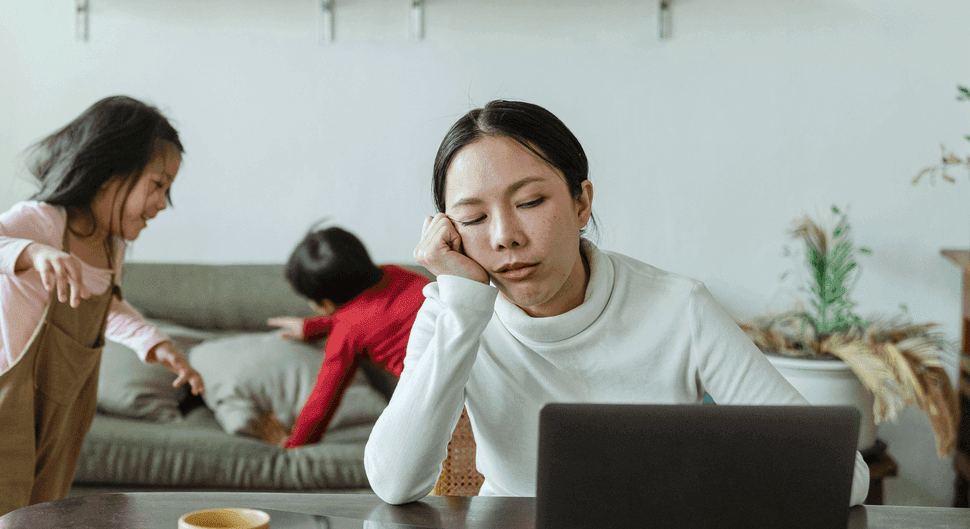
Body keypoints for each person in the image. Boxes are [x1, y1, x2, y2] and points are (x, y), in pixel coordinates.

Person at [364, 100, 870, 505]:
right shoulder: (454, 312)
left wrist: (699, 483)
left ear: (581, 202)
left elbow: (843, 477)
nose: (504, 237)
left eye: (530, 202)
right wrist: (463, 307)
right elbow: (394, 483)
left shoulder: (679, 308)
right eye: (473, 219)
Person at [0, 95, 206, 529]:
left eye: (167, 190)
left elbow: (105, 306)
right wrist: (29, 252)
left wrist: (156, 345)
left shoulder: (111, 245)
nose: (162, 203)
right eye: (157, 185)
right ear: (110, 173)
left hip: (57, 425)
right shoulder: (40, 222)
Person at [262, 226, 430, 449]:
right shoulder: (396, 273)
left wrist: (293, 444)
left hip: (436, 395)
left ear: (325, 303)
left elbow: (322, 402)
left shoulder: (346, 332)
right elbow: (379, 313)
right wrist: (313, 327)